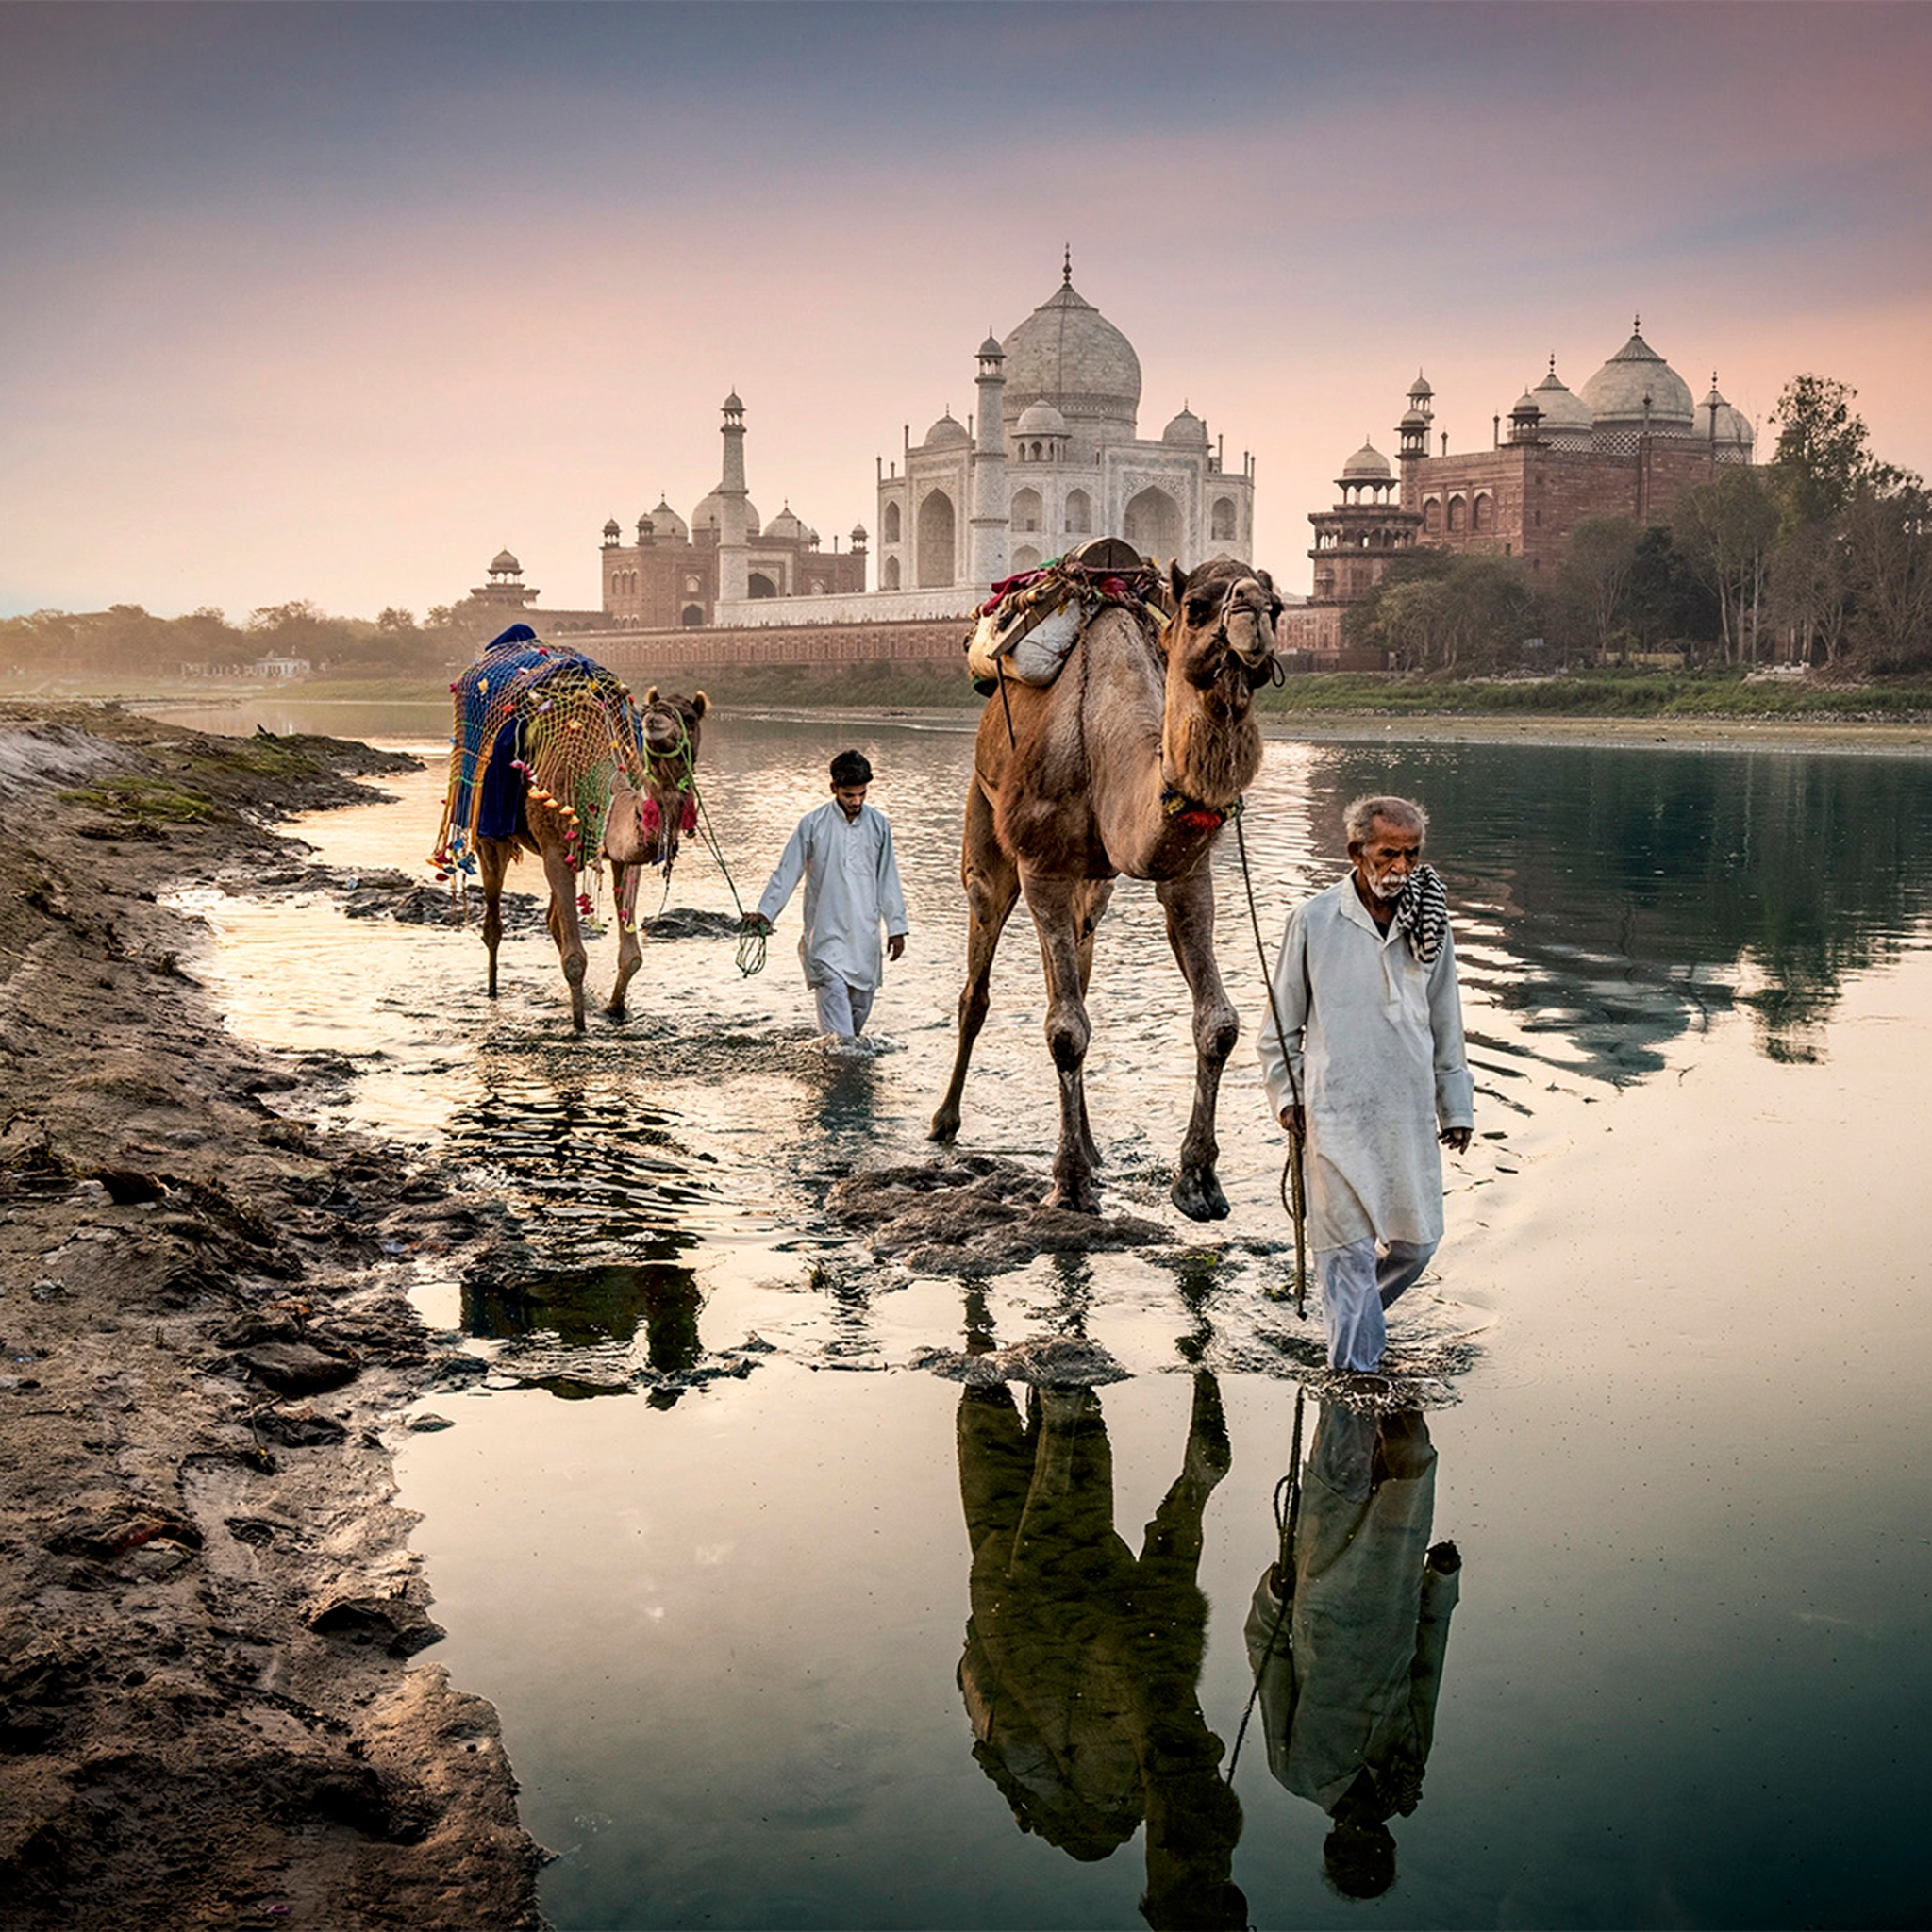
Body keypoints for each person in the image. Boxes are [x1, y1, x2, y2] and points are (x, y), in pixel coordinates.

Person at [1257, 794, 1474, 1373]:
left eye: (1412, 855)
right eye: (1388, 855)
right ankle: (1355, 1380)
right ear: (1356, 852)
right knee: (1347, 1256)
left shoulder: (1429, 922)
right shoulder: (1313, 921)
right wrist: (1289, 1100)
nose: (1401, 868)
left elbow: (1446, 1020)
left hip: (1406, 1113)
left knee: (1417, 1244)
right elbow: (1279, 1029)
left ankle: (1353, 1326)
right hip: (1332, 1116)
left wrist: (1455, 1107)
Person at [747, 749, 908, 1041]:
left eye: (862, 794)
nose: (856, 801)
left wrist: (896, 928)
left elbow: (888, 880)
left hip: (864, 940)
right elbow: (787, 871)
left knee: (853, 1030)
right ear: (833, 788)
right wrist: (765, 913)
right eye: (849, 795)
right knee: (840, 1040)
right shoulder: (812, 824)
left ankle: (835, 1065)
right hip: (825, 937)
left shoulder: (879, 825)